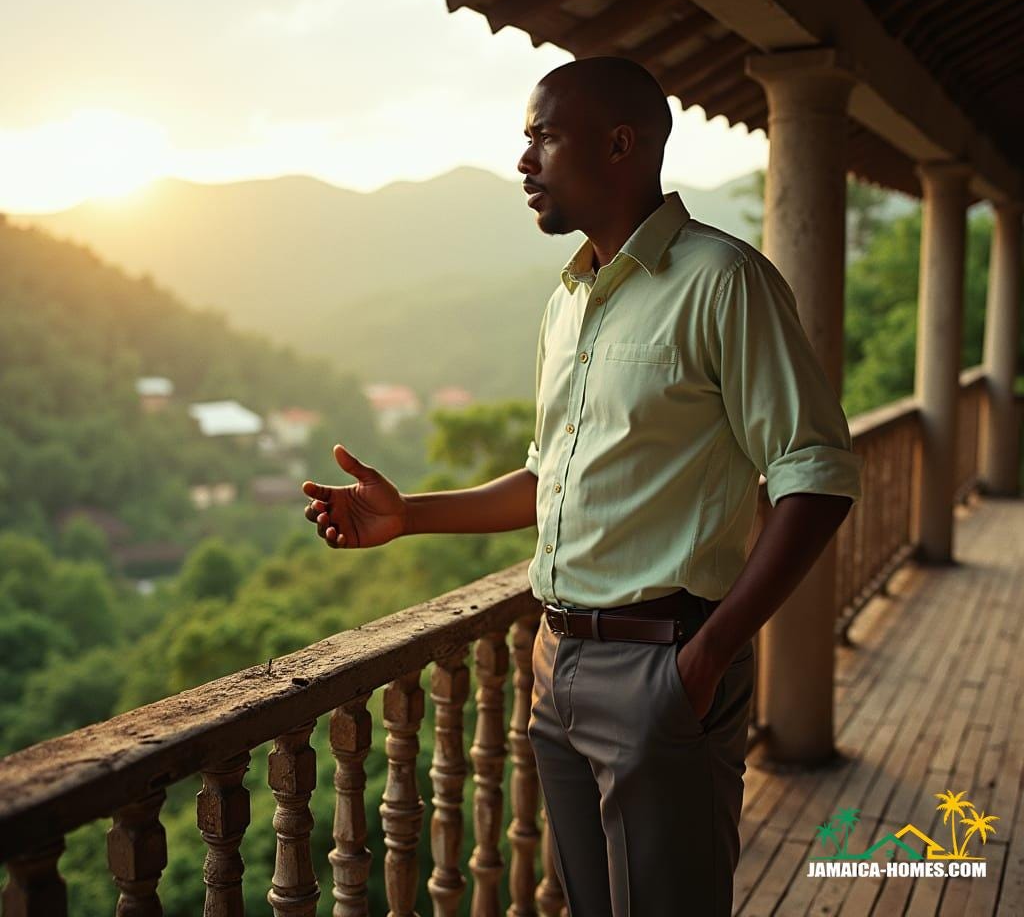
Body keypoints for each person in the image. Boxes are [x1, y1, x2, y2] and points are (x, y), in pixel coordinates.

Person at [301, 56, 863, 916]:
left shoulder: (722, 281)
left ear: (619, 145)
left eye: (544, 137)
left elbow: (816, 476)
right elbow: (548, 477)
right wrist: (409, 515)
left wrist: (706, 656)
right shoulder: (571, 302)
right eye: (525, 140)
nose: (524, 162)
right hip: (555, 662)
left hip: (663, 664)